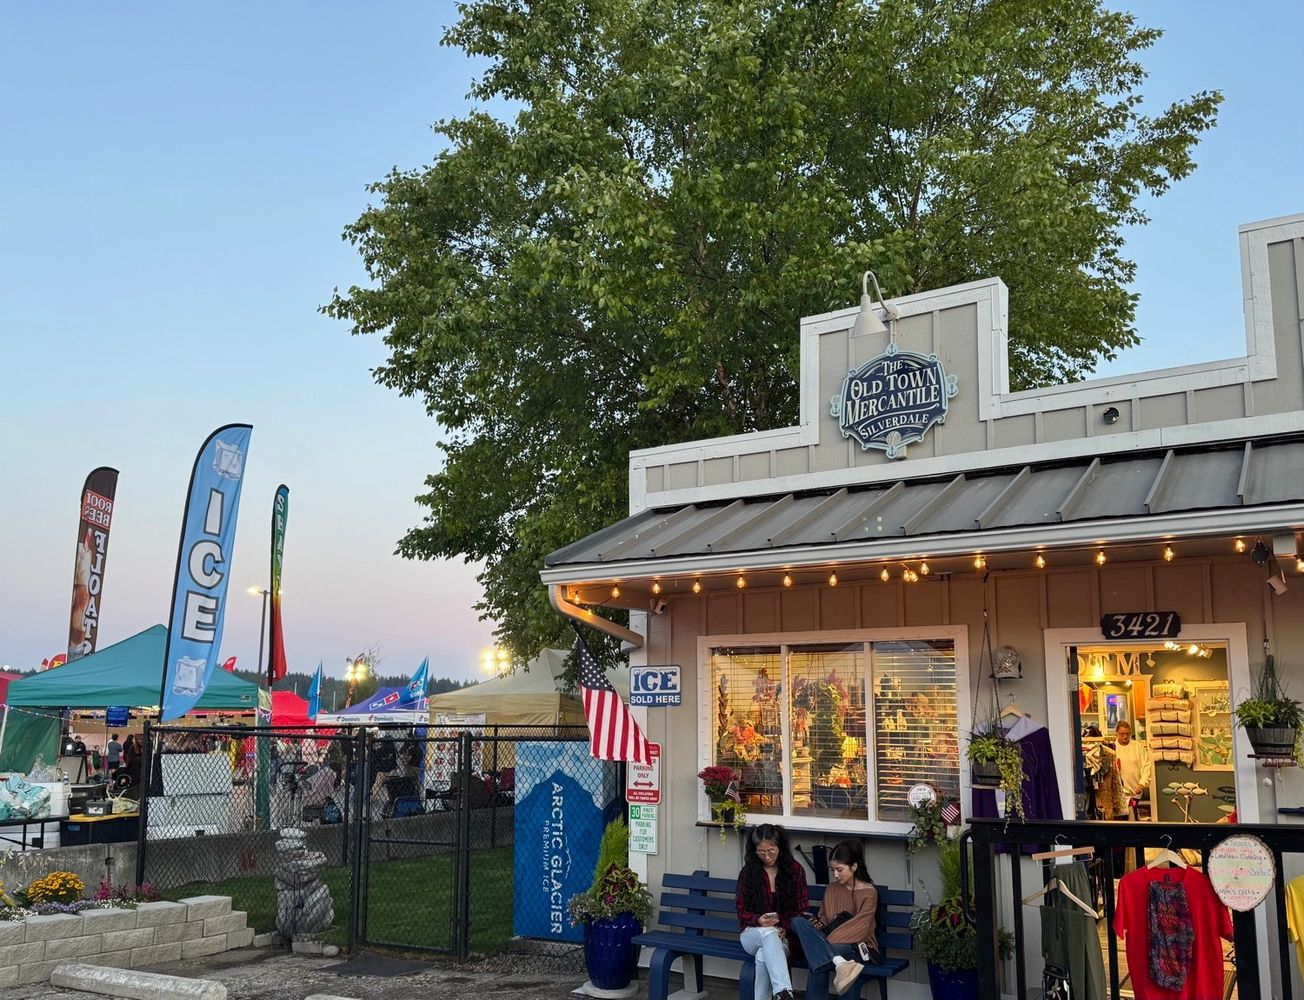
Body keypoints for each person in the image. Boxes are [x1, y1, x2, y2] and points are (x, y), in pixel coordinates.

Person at [790, 840, 877, 996]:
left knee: (817, 957)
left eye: (840, 869)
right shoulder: (831, 889)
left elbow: (861, 928)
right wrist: (817, 925)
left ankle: (837, 960)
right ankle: (841, 964)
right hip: (828, 939)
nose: (835, 875)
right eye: (832, 870)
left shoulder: (868, 892)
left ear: (854, 867)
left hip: (856, 944)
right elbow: (824, 918)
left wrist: (824, 941)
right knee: (797, 922)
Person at [735, 823, 809, 1000]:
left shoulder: (795, 871)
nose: (766, 856)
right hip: (752, 933)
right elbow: (740, 910)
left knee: (763, 956)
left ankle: (775, 995)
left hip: (785, 937)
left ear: (780, 847)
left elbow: (802, 910)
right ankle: (784, 991)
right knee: (769, 933)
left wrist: (784, 926)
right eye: (761, 852)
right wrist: (758, 919)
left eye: (771, 850)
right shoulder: (749, 872)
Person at [1113, 721, 1152, 817]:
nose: (1125, 736)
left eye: (1127, 734)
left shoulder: (1138, 746)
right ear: (1117, 733)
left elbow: (1146, 766)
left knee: (1133, 817)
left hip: (1135, 791)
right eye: (1122, 734)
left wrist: (1142, 783)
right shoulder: (1112, 748)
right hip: (1119, 793)